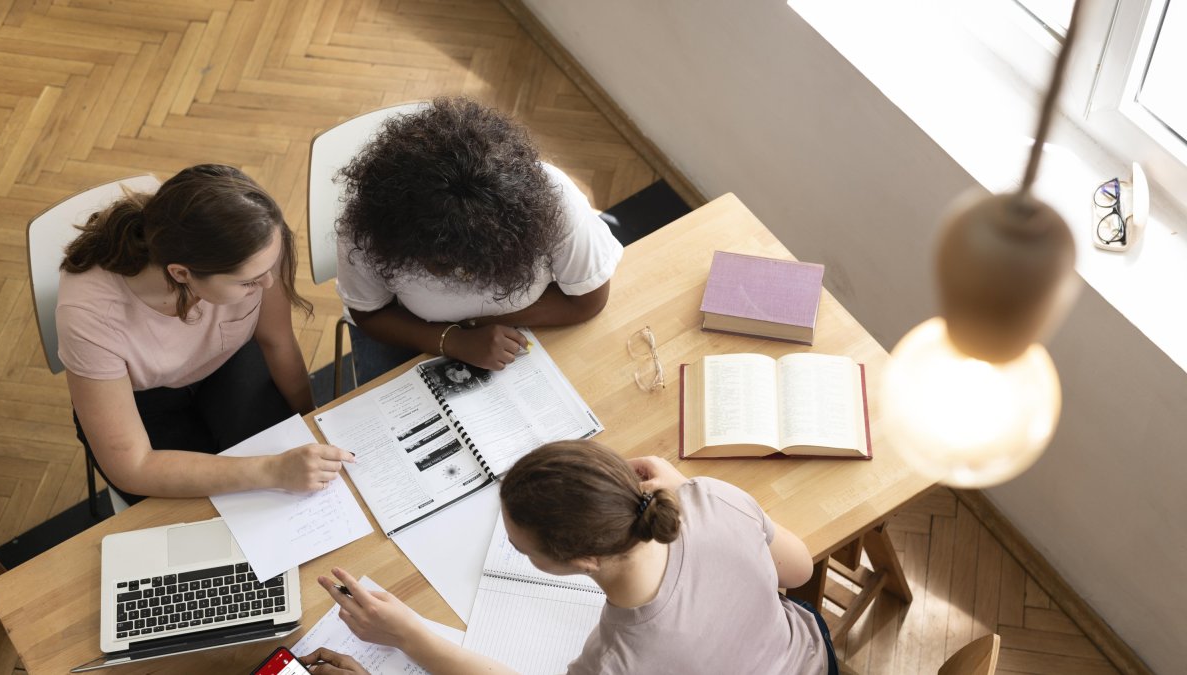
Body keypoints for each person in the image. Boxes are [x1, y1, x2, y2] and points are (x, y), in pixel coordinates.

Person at [300, 440, 838, 674]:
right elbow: (797, 570)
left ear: (584, 561)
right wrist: (688, 486)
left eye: (520, 548)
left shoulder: (618, 660)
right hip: (814, 659)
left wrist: (409, 634)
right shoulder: (712, 497)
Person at [57, 164, 354, 503]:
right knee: (205, 510)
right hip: (143, 399)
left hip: (226, 363)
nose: (268, 284)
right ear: (181, 273)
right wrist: (272, 470)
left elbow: (277, 340)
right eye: (248, 282)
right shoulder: (88, 316)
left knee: (286, 486)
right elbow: (134, 466)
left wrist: (308, 421)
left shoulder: (258, 243)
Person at [334, 97, 623, 378]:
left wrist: (476, 326)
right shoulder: (369, 225)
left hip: (523, 336)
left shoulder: (554, 200)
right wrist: (454, 341)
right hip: (409, 332)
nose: (458, 274)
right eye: (439, 261)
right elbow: (368, 315)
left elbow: (588, 301)